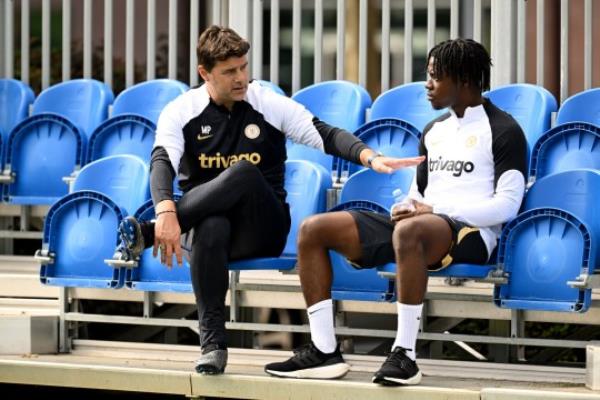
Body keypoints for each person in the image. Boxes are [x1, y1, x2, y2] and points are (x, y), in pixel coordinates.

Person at [113, 25, 424, 375]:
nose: (241, 77)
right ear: (204, 73)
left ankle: (150, 230)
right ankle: (212, 346)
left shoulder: (265, 102)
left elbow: (324, 133)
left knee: (245, 172)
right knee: (212, 225)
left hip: (263, 227)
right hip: (206, 235)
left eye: (244, 67)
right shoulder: (181, 111)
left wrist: (368, 156)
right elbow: (161, 162)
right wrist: (165, 206)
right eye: (229, 71)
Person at [264, 38, 528, 385]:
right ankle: (324, 350)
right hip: (421, 228)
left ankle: (404, 355)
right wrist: (407, 205)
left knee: (410, 231)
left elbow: (507, 206)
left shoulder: (505, 130)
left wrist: (433, 209)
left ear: (464, 80)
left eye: (436, 76)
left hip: (473, 233)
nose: (427, 84)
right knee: (314, 229)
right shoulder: (434, 131)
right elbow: (419, 193)